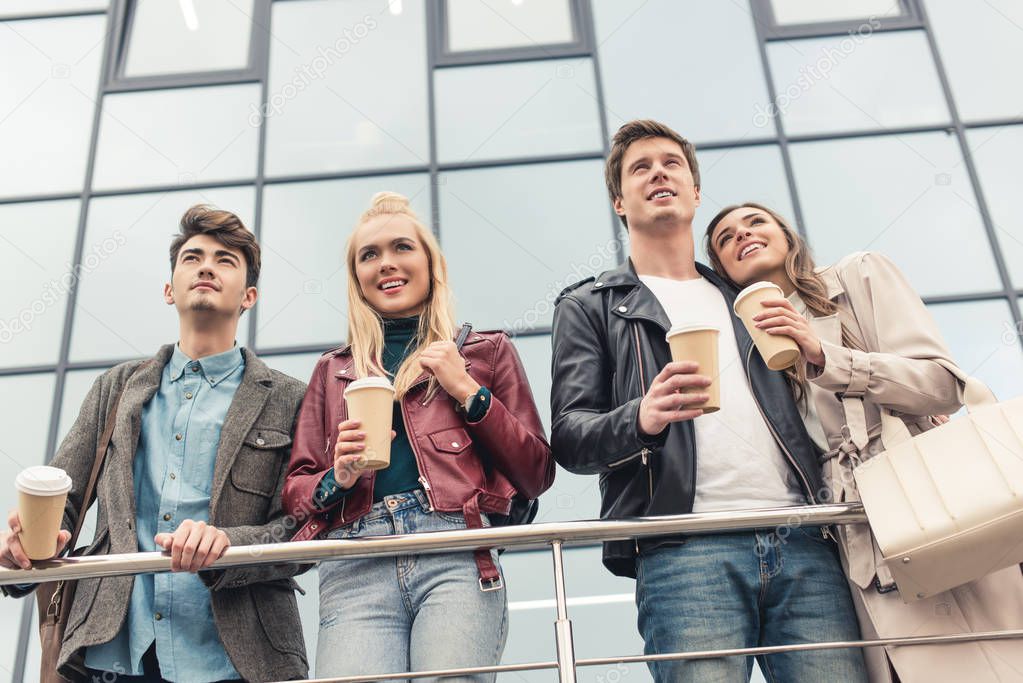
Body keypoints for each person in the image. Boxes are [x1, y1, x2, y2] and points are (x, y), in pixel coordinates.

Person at [550, 119, 868, 682]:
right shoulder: (590, 305)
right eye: (640, 168)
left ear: (696, 192)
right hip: (683, 550)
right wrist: (641, 418)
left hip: (805, 539)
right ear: (620, 202)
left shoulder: (748, 296)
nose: (658, 174)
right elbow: (571, 438)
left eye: (671, 163)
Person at [705, 201, 1023, 682]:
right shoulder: (745, 354)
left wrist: (824, 355)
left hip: (927, 500)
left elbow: (942, 385)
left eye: (755, 222)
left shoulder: (857, 277)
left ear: (787, 235)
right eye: (724, 239)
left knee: (982, 662)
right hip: (848, 537)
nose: (741, 235)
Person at [0, 205, 309, 682]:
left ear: (249, 296)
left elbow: (304, 530)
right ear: (169, 289)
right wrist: (25, 544)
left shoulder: (290, 398)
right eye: (193, 257)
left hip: (238, 660)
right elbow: (63, 498)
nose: (207, 266)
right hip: (110, 651)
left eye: (225, 260)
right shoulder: (116, 387)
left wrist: (227, 543)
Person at [283, 191, 554, 681]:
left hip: (454, 550)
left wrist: (469, 391)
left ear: (431, 265)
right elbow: (296, 493)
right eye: (369, 255)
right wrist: (335, 478)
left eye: (402, 248)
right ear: (357, 279)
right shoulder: (333, 370)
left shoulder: (485, 352)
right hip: (355, 560)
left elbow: (535, 473)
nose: (386, 263)